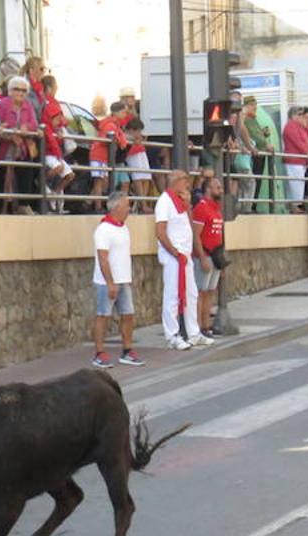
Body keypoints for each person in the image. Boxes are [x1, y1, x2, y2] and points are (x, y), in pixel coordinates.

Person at [155, 170, 211, 350]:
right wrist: (174, 252)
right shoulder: (164, 201)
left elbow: (189, 222)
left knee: (191, 294)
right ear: (177, 181)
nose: (187, 185)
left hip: (184, 255)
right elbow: (160, 232)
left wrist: (187, 205)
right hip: (174, 256)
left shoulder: (179, 201)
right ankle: (172, 335)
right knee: (172, 296)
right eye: (185, 181)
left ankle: (193, 333)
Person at [91, 191, 143, 368]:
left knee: (128, 314)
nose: (129, 208)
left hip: (123, 279)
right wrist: (110, 282)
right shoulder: (103, 229)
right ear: (117, 207)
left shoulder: (123, 227)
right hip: (107, 282)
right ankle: (99, 352)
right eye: (127, 205)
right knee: (103, 315)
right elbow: (103, 258)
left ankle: (127, 350)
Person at [0, 75, 40, 215]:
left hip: (22, 147)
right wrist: (10, 133)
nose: (20, 93)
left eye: (24, 91)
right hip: (5, 146)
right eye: (17, 89)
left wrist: (25, 128)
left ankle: (23, 204)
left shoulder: (28, 105)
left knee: (25, 171)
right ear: (10, 90)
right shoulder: (2, 104)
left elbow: (34, 124)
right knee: (2, 175)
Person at [191, 175, 226, 337]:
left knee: (210, 291)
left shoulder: (216, 208)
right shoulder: (201, 208)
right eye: (217, 187)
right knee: (201, 292)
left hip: (215, 256)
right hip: (204, 256)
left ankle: (206, 325)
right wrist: (202, 257)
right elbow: (196, 235)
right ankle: (198, 327)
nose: (220, 190)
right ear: (208, 189)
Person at [89, 100, 128, 210]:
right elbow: (109, 138)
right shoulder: (110, 125)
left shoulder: (114, 125)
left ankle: (91, 203)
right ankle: (97, 206)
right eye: (124, 112)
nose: (125, 115)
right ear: (117, 113)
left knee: (103, 181)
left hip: (104, 157)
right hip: (98, 155)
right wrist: (120, 140)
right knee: (99, 181)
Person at [282, 105, 308, 208]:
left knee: (300, 185)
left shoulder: (300, 126)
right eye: (300, 114)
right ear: (293, 115)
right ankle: (297, 206)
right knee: (296, 186)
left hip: (301, 161)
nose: (302, 117)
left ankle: (298, 205)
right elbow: (297, 142)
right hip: (294, 161)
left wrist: (306, 125)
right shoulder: (290, 126)